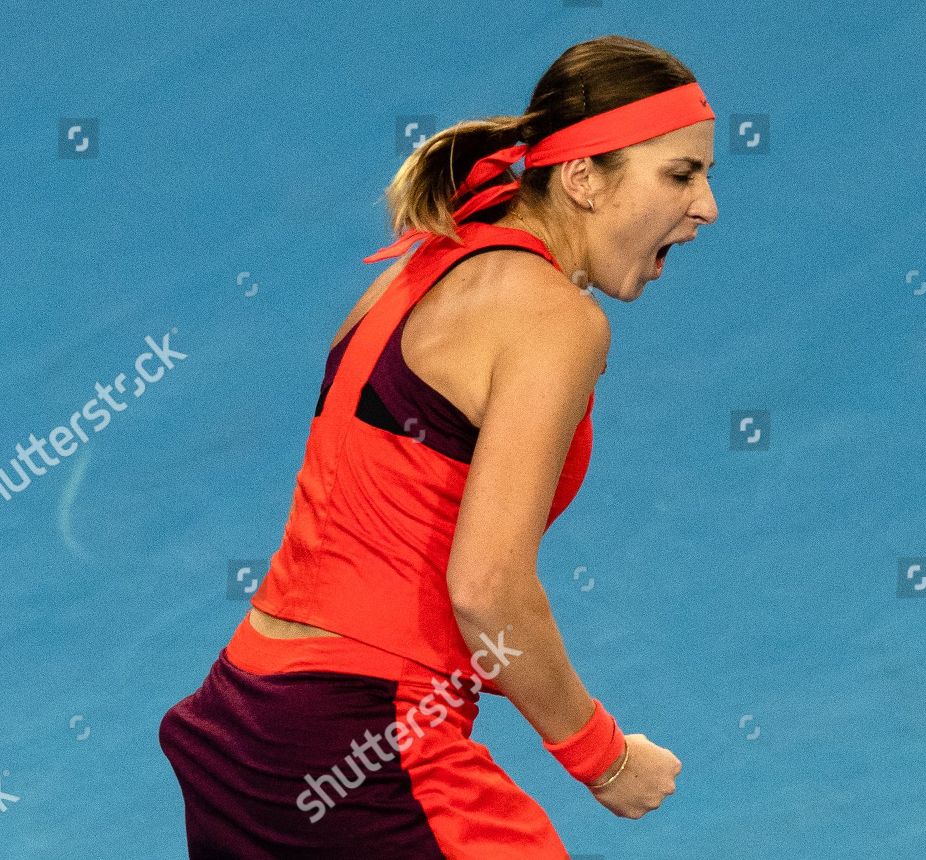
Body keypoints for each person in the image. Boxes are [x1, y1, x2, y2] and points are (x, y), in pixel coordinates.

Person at [158, 34, 718, 857]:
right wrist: (603, 757)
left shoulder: (420, 271)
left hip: (243, 721)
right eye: (680, 173)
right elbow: (486, 587)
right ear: (583, 178)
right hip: (361, 741)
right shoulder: (557, 320)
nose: (707, 205)